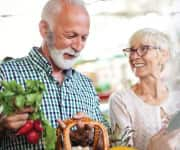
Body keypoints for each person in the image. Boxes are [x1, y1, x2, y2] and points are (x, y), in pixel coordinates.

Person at [0, 0, 108, 149]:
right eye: (70, 36)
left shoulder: (86, 85)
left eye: (84, 38)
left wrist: (90, 137)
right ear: (45, 30)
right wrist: (1, 126)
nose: (78, 46)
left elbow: (106, 142)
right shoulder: (4, 75)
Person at [109, 28, 180, 150]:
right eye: (131, 50)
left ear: (164, 55)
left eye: (144, 49)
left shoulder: (177, 94)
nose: (134, 56)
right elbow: (122, 148)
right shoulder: (121, 100)